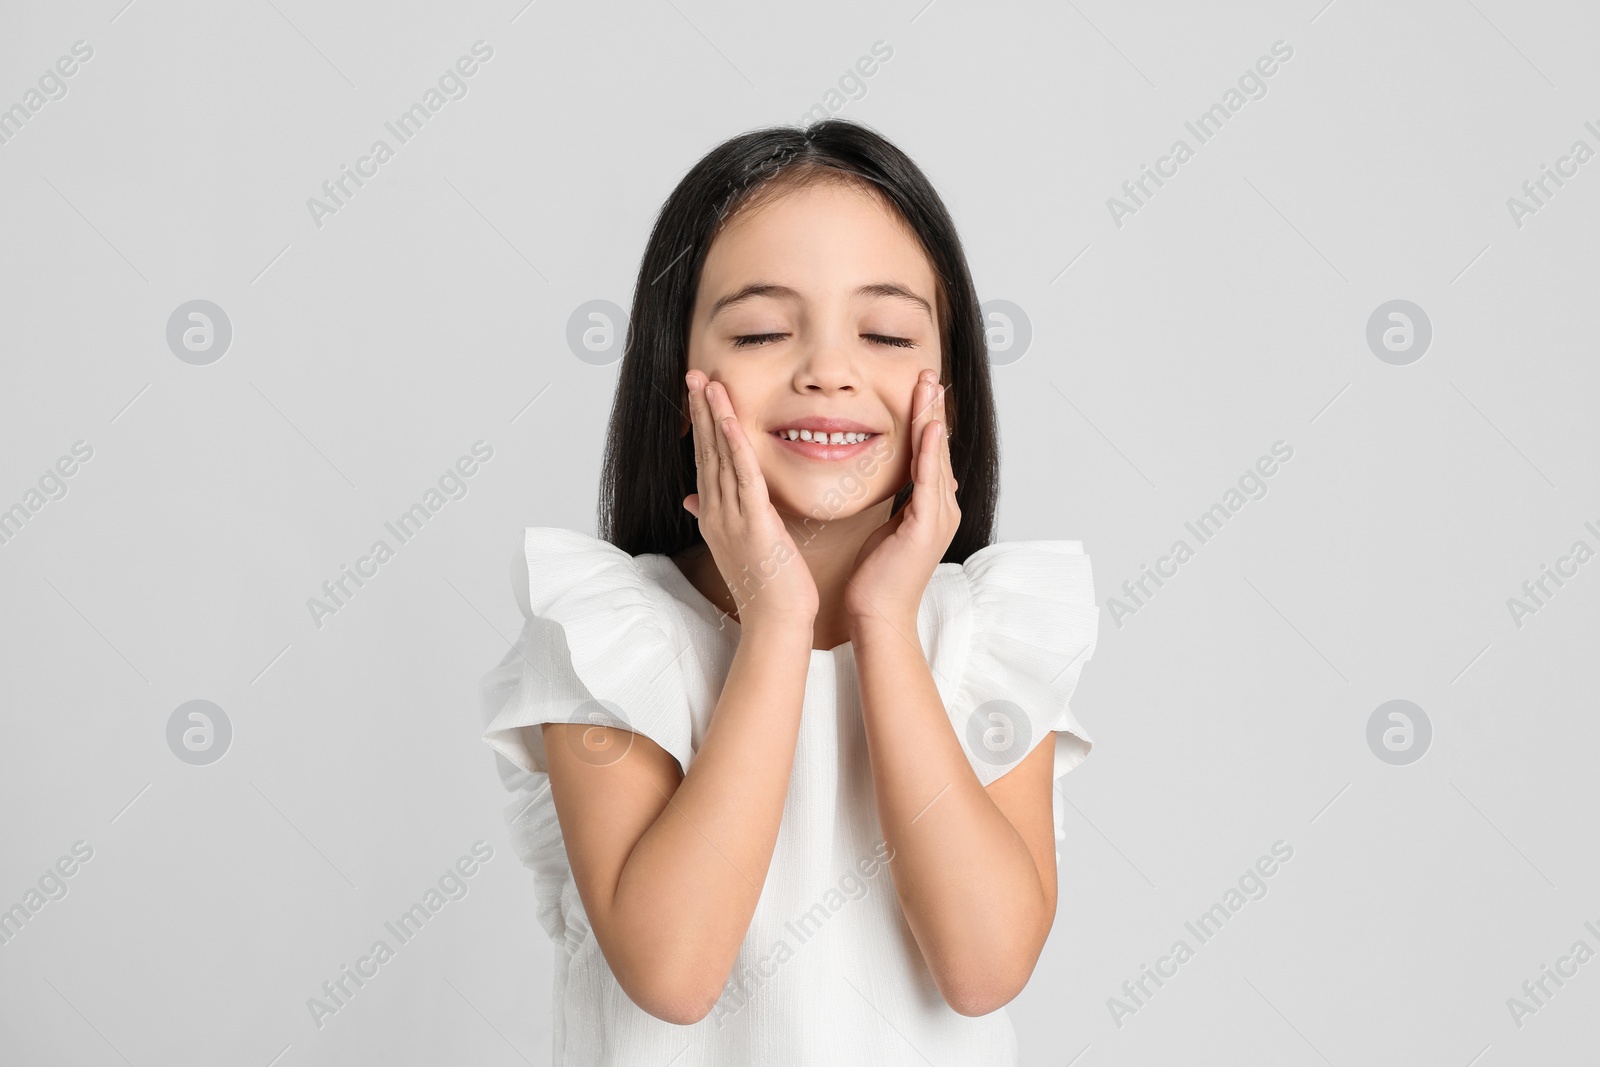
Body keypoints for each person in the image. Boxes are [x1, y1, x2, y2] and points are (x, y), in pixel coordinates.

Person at [479, 117, 1099, 1066]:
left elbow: (983, 966)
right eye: (764, 330)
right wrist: (775, 619)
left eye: (887, 332)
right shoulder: (606, 634)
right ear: (674, 375)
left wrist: (886, 622)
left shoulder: (987, 634)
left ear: (954, 386)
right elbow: (675, 973)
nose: (829, 371)